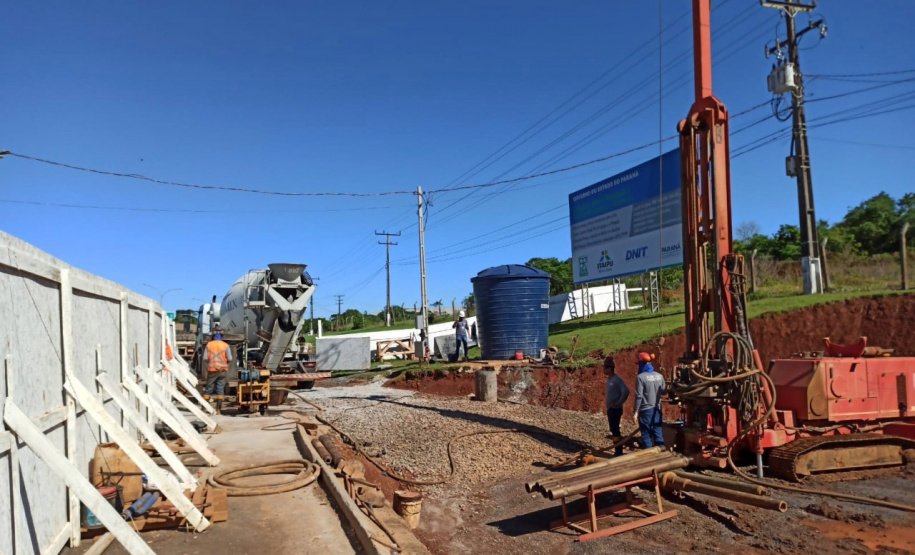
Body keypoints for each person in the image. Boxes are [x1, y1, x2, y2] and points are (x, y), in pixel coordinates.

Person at [633, 352, 666, 448]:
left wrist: (636, 411)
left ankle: (650, 457)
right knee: (658, 431)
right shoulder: (660, 376)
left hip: (645, 410)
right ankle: (662, 454)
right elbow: (664, 392)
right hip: (657, 409)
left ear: (641, 364)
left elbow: (639, 396)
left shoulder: (640, 377)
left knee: (646, 434)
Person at [603, 356, 629, 456]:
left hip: (615, 409)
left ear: (610, 368)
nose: (603, 370)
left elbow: (626, 391)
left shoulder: (616, 379)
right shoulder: (610, 379)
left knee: (615, 429)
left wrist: (619, 402)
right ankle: (617, 449)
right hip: (611, 408)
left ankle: (618, 451)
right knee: (613, 429)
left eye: (605, 368)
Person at [203, 331, 233, 413]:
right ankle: (218, 410)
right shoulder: (225, 345)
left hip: (212, 370)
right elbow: (230, 358)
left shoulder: (209, 345)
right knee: (220, 389)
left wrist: (211, 361)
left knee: (209, 388)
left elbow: (205, 358)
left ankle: (204, 408)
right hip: (222, 370)